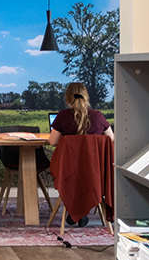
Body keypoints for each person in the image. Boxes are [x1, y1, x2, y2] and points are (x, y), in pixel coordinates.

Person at [48, 82, 113, 227]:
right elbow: (110, 138)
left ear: (67, 99)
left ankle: (76, 212)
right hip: (95, 172)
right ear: (86, 97)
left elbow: (52, 141)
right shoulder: (97, 116)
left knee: (74, 174)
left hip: (69, 172)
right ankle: (79, 212)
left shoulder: (62, 116)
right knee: (85, 174)